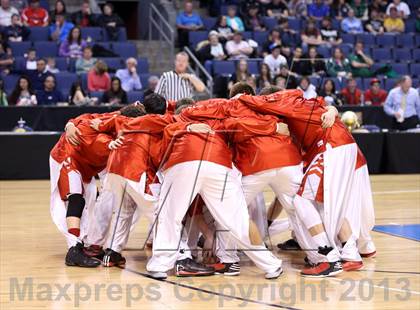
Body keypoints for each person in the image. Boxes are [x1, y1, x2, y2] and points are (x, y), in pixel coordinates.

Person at [49, 106, 145, 267]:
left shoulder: (121, 118)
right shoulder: (103, 127)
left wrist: (70, 123)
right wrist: (108, 143)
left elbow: (81, 117)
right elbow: (86, 130)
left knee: (94, 201)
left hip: (91, 163)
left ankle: (88, 244)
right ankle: (73, 250)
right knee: (76, 199)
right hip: (68, 156)